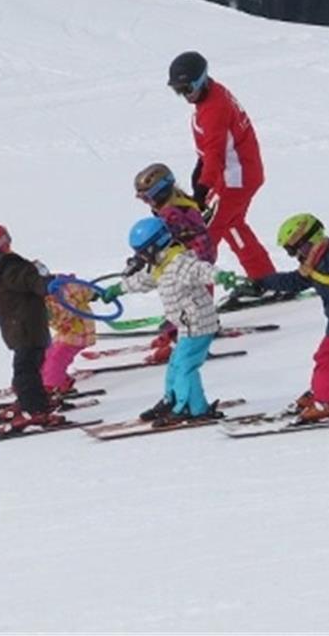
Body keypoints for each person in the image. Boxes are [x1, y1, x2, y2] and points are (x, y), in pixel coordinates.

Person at [245, 213, 329, 423]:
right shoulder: (315, 261)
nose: (296, 255)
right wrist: (264, 282)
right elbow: (294, 281)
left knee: (326, 358)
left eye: (296, 249)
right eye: (291, 252)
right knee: (327, 356)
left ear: (311, 239)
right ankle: (324, 390)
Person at [167, 51, 276, 297]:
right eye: (179, 91)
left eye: (188, 88)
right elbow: (210, 150)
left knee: (204, 237)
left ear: (203, 79)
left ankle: (200, 301)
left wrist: (202, 189)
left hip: (234, 179)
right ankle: (266, 280)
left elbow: (215, 154)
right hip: (243, 172)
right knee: (232, 225)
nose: (186, 95)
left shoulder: (213, 109)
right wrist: (200, 172)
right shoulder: (212, 96)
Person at [100, 217, 225, 426]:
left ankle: (193, 408)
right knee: (176, 364)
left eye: (142, 251)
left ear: (155, 246)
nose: (140, 257)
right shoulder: (160, 265)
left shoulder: (180, 263)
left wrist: (224, 277)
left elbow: (203, 270)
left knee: (186, 366)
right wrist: (117, 289)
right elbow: (142, 280)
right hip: (187, 324)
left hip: (199, 323)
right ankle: (173, 399)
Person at [0, 223, 63, 434]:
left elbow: (34, 281)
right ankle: (29, 401)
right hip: (21, 332)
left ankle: (34, 410)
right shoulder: (2, 271)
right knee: (27, 372)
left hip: (28, 333)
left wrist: (48, 284)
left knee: (25, 373)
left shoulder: (14, 270)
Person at [134, 162, 218, 363]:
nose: (147, 203)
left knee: (184, 293)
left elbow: (163, 237)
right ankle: (187, 325)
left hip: (195, 253)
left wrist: (141, 257)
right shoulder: (174, 201)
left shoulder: (170, 211)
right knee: (191, 290)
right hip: (196, 250)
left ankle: (185, 335)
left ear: (160, 192)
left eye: (147, 197)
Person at [42, 276, 97, 398]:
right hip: (65, 332)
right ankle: (60, 382)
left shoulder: (66, 287)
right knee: (48, 355)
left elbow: (82, 288)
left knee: (56, 359)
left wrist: (95, 293)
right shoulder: (39, 298)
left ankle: (51, 386)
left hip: (79, 332)